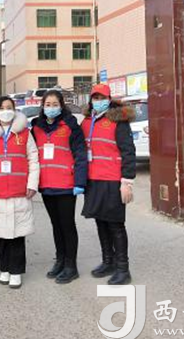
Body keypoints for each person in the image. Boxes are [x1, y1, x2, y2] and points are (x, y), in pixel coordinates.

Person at [0, 96, 40, 289]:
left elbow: (33, 159)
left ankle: (16, 271)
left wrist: (32, 184)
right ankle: (4, 268)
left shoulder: (25, 133)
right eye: (2, 108)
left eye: (9, 107)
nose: (6, 111)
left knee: (18, 236)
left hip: (20, 191)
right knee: (2, 236)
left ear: (14, 110)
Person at [81, 83, 136, 285]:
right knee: (100, 221)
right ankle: (108, 261)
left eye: (102, 98)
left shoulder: (118, 121)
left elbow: (128, 151)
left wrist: (126, 182)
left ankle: (123, 268)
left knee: (115, 225)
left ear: (109, 99)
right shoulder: (87, 121)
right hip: (93, 180)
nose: (98, 101)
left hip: (113, 181)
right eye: (95, 98)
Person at [31, 90, 88, 284]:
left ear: (62, 106)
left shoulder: (71, 126)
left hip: (66, 185)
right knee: (56, 225)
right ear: (42, 106)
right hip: (46, 184)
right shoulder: (36, 128)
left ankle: (71, 266)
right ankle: (60, 260)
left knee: (67, 225)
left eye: (55, 104)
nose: (51, 108)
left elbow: (80, 154)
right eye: (47, 104)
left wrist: (80, 182)